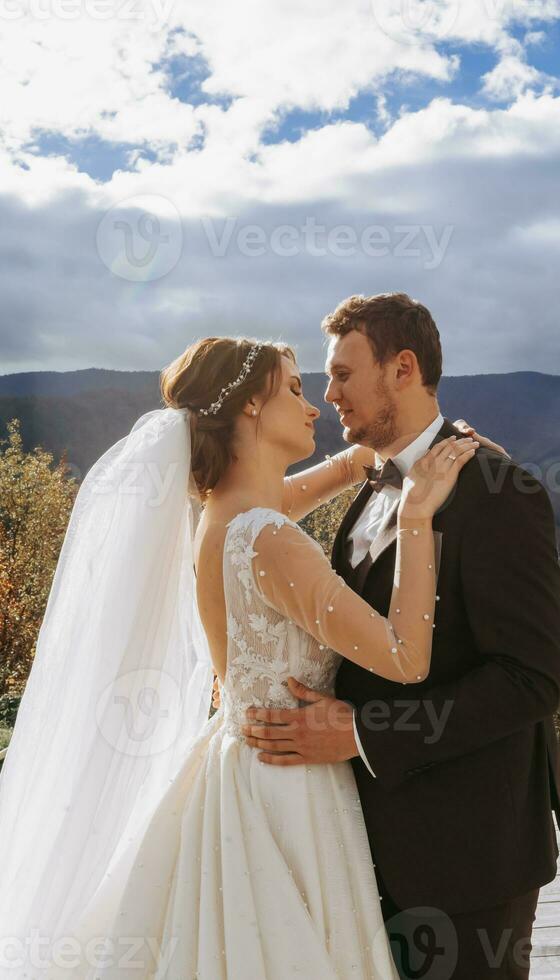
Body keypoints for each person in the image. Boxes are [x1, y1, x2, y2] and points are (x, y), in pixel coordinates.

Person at [0, 333, 478, 979]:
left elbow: (285, 501)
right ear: (251, 404)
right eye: (294, 389)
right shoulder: (265, 536)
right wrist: (418, 516)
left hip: (236, 765)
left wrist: (369, 452)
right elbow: (403, 658)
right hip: (287, 787)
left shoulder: (219, 518)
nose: (314, 408)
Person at [235, 293, 560, 980]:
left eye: (342, 374)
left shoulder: (500, 491)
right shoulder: (365, 486)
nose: (329, 395)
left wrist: (363, 734)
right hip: (359, 842)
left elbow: (529, 679)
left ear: (403, 368)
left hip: (470, 855)